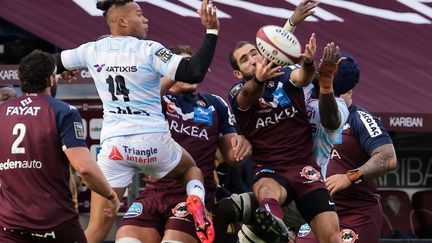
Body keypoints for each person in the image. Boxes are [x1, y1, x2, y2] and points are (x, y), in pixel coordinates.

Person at [54, 1, 220, 242]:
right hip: (153, 141)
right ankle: (197, 202)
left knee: (97, 228)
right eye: (139, 14)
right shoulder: (149, 49)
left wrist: (61, 70)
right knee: (191, 169)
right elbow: (193, 72)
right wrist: (212, 31)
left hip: (115, 148)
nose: (146, 19)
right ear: (122, 22)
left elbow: (51, 62)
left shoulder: (91, 50)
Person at [115, 44, 252, 243]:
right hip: (154, 193)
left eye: (193, 65)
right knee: (126, 240)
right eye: (184, 66)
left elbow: (233, 158)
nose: (190, 71)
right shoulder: (157, 100)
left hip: (192, 195)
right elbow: (138, 99)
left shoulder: (215, 104)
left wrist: (245, 145)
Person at [227, 28, 343, 243]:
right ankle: (274, 224)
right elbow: (248, 97)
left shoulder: (286, 73)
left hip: (304, 168)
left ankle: (275, 223)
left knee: (332, 236)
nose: (252, 60)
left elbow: (303, 77)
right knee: (265, 189)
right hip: (270, 169)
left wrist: (308, 63)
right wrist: (259, 81)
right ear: (238, 73)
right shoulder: (238, 91)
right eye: (244, 60)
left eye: (254, 53)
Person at [0, 50, 120, 243]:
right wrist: (111, 195)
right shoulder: (63, 111)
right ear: (50, 80)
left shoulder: (3, 111)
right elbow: (85, 169)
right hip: (54, 220)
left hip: (10, 223)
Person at [297, 53, 398, 243]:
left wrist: (348, 177)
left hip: (357, 214)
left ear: (349, 92)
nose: (329, 97)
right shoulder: (312, 114)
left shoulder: (360, 119)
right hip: (318, 211)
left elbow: (388, 157)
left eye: (336, 91)